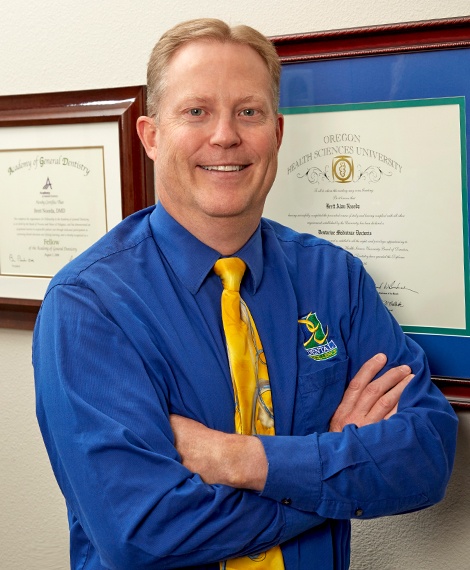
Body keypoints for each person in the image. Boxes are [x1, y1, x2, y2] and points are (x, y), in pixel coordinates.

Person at [33, 18, 457, 570]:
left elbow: (426, 457)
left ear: (276, 133)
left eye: (249, 112)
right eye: (196, 111)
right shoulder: (89, 305)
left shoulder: (335, 278)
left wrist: (242, 460)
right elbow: (139, 532)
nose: (226, 135)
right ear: (151, 136)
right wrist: (326, 470)